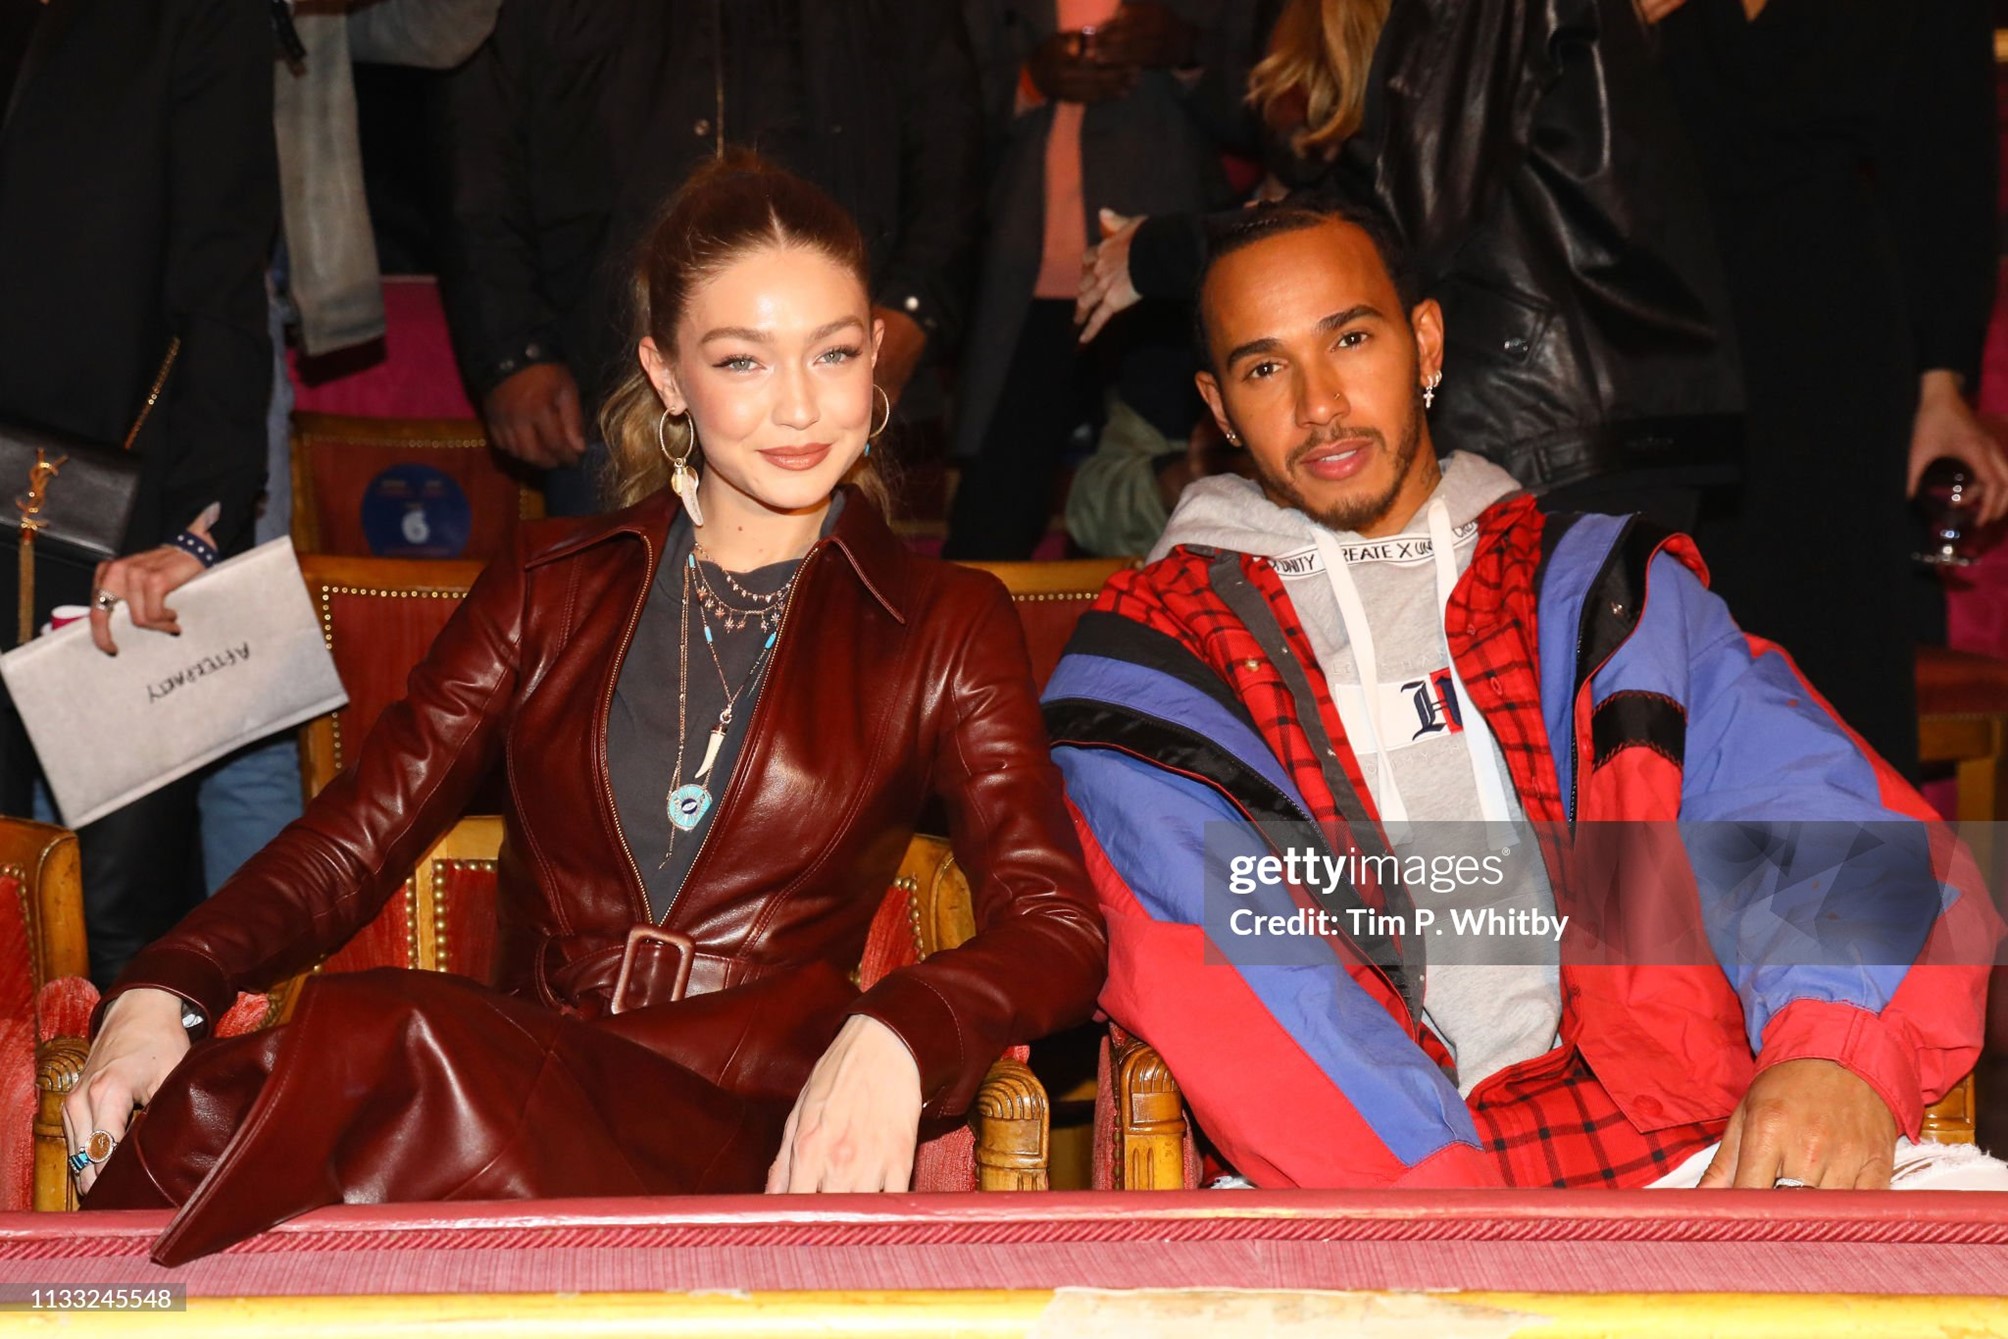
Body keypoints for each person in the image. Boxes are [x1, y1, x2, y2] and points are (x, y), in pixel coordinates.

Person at [67, 158, 1106, 1265]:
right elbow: (355, 837)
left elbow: (1056, 925)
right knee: (364, 1066)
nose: (801, 406)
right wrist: (166, 987)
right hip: (506, 1104)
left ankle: (112, 1287)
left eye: (835, 353)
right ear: (667, 376)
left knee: (379, 1040)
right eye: (742, 361)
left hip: (739, 1124)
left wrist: (899, 1028)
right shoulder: (549, 580)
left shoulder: (942, 620)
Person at [1045, 199, 1999, 1190]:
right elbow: (1241, 981)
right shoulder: (1160, 659)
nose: (1319, 403)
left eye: (1351, 338)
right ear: (1216, 404)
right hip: (1371, 1187)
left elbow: (1802, 797)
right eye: (1264, 367)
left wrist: (1831, 1045)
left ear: (1423, 341)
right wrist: (1445, 1217)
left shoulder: (1591, 587)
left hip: (1681, 1143)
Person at [1074, 0, 1745, 532]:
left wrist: (1166, 250)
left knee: (1570, 698)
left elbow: (1392, 220)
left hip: (1562, 424)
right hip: (1559, 415)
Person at [438, 0, 982, 516]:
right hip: (600, 361)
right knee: (617, 605)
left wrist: (915, 303)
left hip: (833, 362)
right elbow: (478, 155)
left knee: (837, 600)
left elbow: (951, 138)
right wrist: (511, 349)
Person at [1651, 0, 2008, 778]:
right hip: (1644, 332)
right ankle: (1656, 896)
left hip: (1829, 353)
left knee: (1832, 663)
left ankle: (1843, 896)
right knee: (1661, 662)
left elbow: (1950, 171)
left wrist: (1944, 390)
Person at [0, 0, 278, 983]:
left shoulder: (195, 20)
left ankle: (123, 1142)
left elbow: (222, 290)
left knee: (128, 933)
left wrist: (201, 525)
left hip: (117, 523)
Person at [942, 0, 1234, 560]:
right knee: (992, 523)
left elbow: (1274, 112)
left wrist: (1185, 53)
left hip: (1162, 276)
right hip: (1028, 274)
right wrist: (1029, 81)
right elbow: (931, 116)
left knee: (1168, 506)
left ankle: (1127, 645)